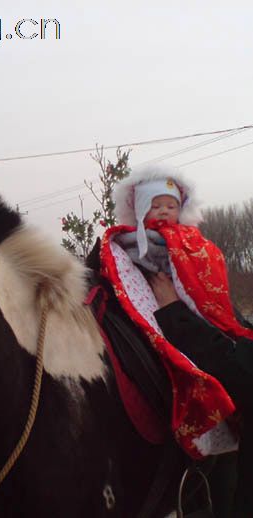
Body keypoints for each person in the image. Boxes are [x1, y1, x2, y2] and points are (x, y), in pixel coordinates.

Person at [109, 165, 253, 517]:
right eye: (154, 206)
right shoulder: (128, 242)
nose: (163, 212)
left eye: (169, 206)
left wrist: (178, 308)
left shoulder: (195, 243)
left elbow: (209, 276)